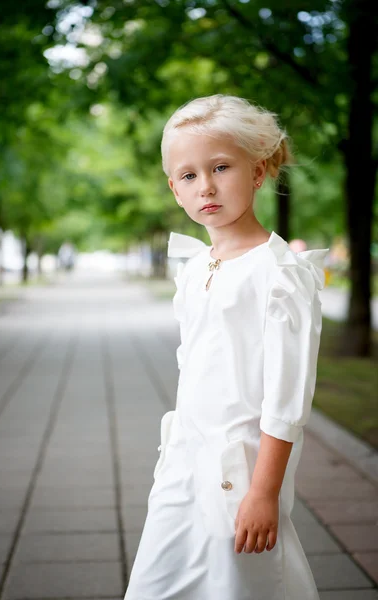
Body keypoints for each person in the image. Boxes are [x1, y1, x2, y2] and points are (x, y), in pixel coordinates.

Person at [123, 94, 329, 600]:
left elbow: (287, 399)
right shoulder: (196, 268)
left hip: (242, 468)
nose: (206, 187)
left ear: (257, 172)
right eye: (189, 176)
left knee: (239, 583)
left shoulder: (279, 275)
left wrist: (263, 493)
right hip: (184, 460)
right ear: (174, 189)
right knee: (156, 581)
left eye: (220, 167)